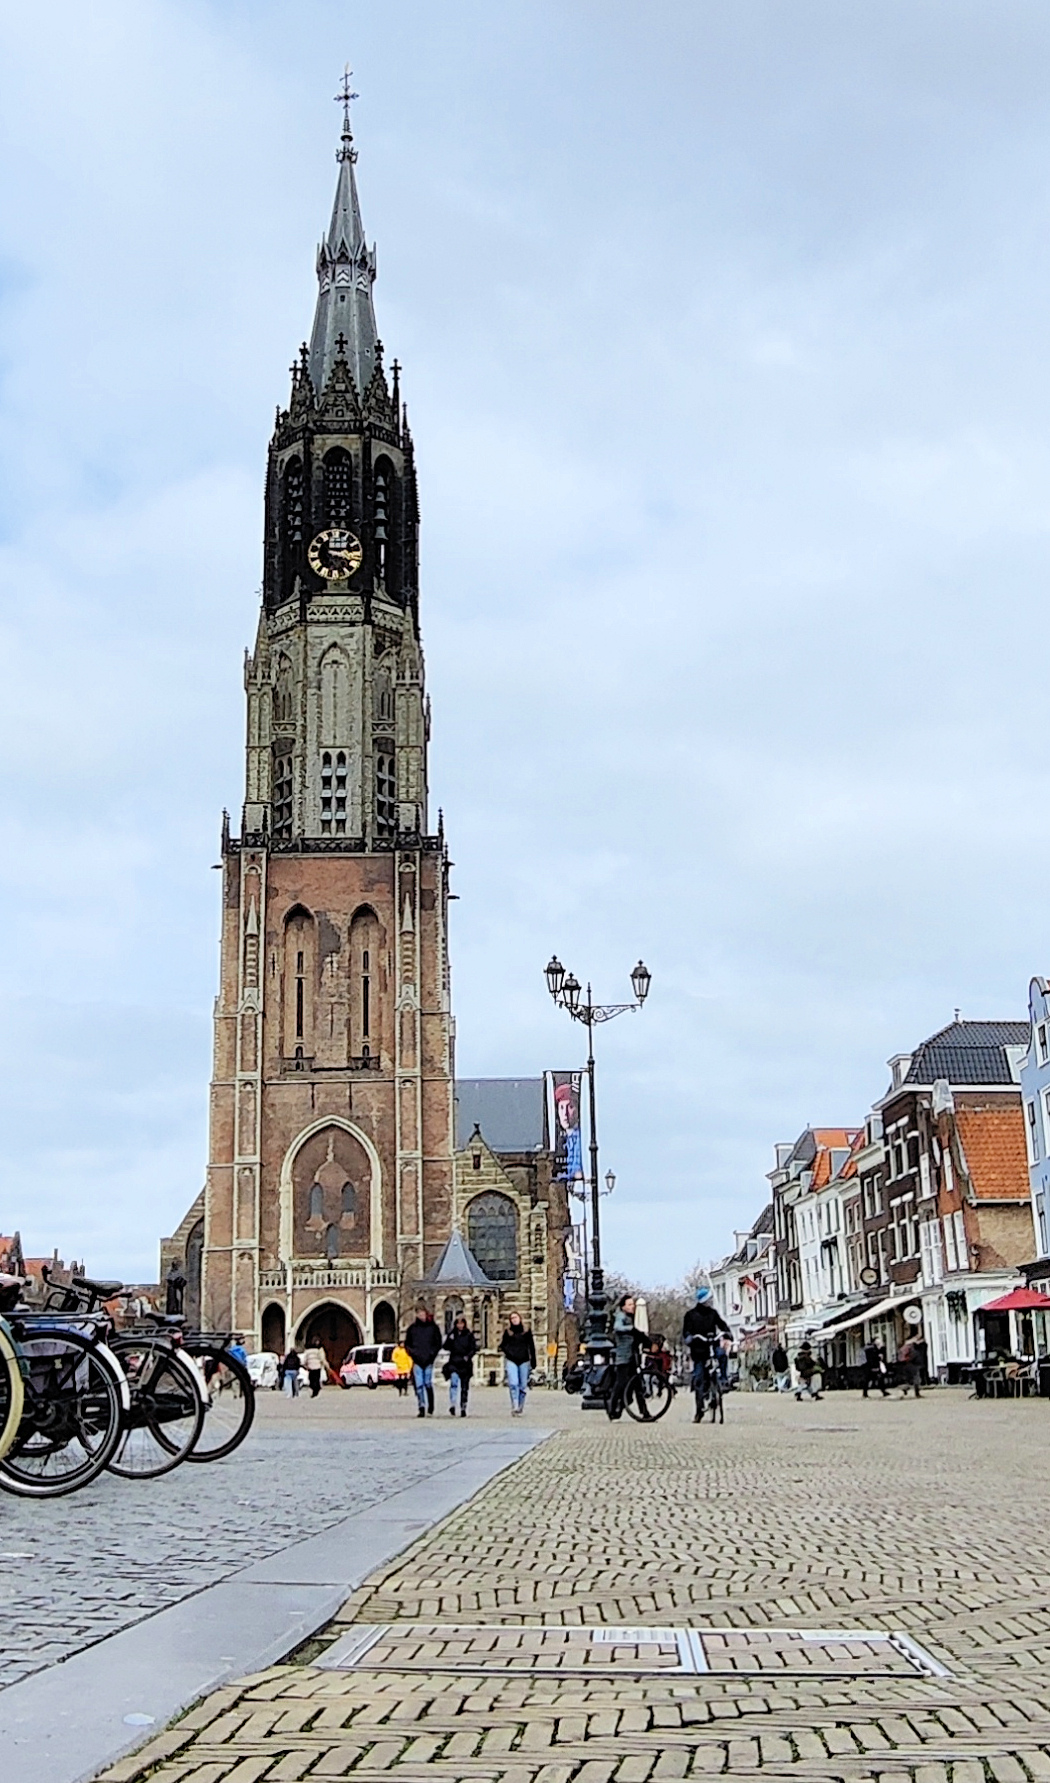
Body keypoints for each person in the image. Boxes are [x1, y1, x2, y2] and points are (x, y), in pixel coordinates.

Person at [682, 1285, 732, 1423]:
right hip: (699, 1350)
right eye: (708, 1300)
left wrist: (727, 1333)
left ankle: (723, 1379)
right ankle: (699, 1410)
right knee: (699, 1378)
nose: (709, 1302)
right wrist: (689, 1338)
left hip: (712, 1344)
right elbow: (686, 1332)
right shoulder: (690, 1315)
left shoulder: (713, 1313)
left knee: (722, 1354)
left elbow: (722, 1325)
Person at [608, 1293, 644, 1420]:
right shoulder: (620, 1316)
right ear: (623, 1307)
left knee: (637, 1385)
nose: (632, 1306)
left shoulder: (629, 1317)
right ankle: (612, 1409)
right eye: (629, 1304)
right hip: (623, 1357)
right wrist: (631, 1329)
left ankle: (644, 1412)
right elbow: (617, 1327)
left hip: (631, 1356)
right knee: (621, 1384)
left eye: (633, 1304)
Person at [404, 1302, 442, 1417]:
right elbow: (407, 1344)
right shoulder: (412, 1329)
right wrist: (412, 1353)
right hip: (417, 1360)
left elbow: (437, 1343)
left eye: (423, 1313)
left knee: (427, 1383)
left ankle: (430, 1406)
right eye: (419, 1313)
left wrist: (432, 1354)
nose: (421, 1315)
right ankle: (421, 1406)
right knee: (419, 1385)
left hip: (428, 1360)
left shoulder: (433, 1328)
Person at [499, 1312, 536, 1414]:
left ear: (520, 1318)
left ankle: (520, 1405)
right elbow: (502, 1345)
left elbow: (531, 1346)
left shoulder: (526, 1331)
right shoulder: (508, 1332)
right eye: (512, 1318)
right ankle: (515, 1404)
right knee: (513, 1383)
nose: (514, 1320)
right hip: (512, 1360)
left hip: (524, 1360)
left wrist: (533, 1362)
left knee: (523, 1385)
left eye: (516, 1317)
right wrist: (509, 1352)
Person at [443, 1314, 478, 1417]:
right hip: (454, 1362)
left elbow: (473, 1348)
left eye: (461, 1323)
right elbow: (445, 1347)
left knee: (464, 1387)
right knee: (454, 1383)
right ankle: (452, 1404)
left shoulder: (469, 1335)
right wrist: (450, 1339)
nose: (460, 1325)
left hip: (465, 1364)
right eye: (458, 1323)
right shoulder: (452, 1335)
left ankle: (463, 1406)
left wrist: (468, 1356)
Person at [898, 1332, 922, 1398]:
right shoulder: (909, 1347)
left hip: (910, 1364)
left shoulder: (907, 1346)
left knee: (911, 1379)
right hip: (911, 1364)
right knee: (916, 1379)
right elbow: (911, 1355)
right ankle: (913, 1392)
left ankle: (905, 1390)